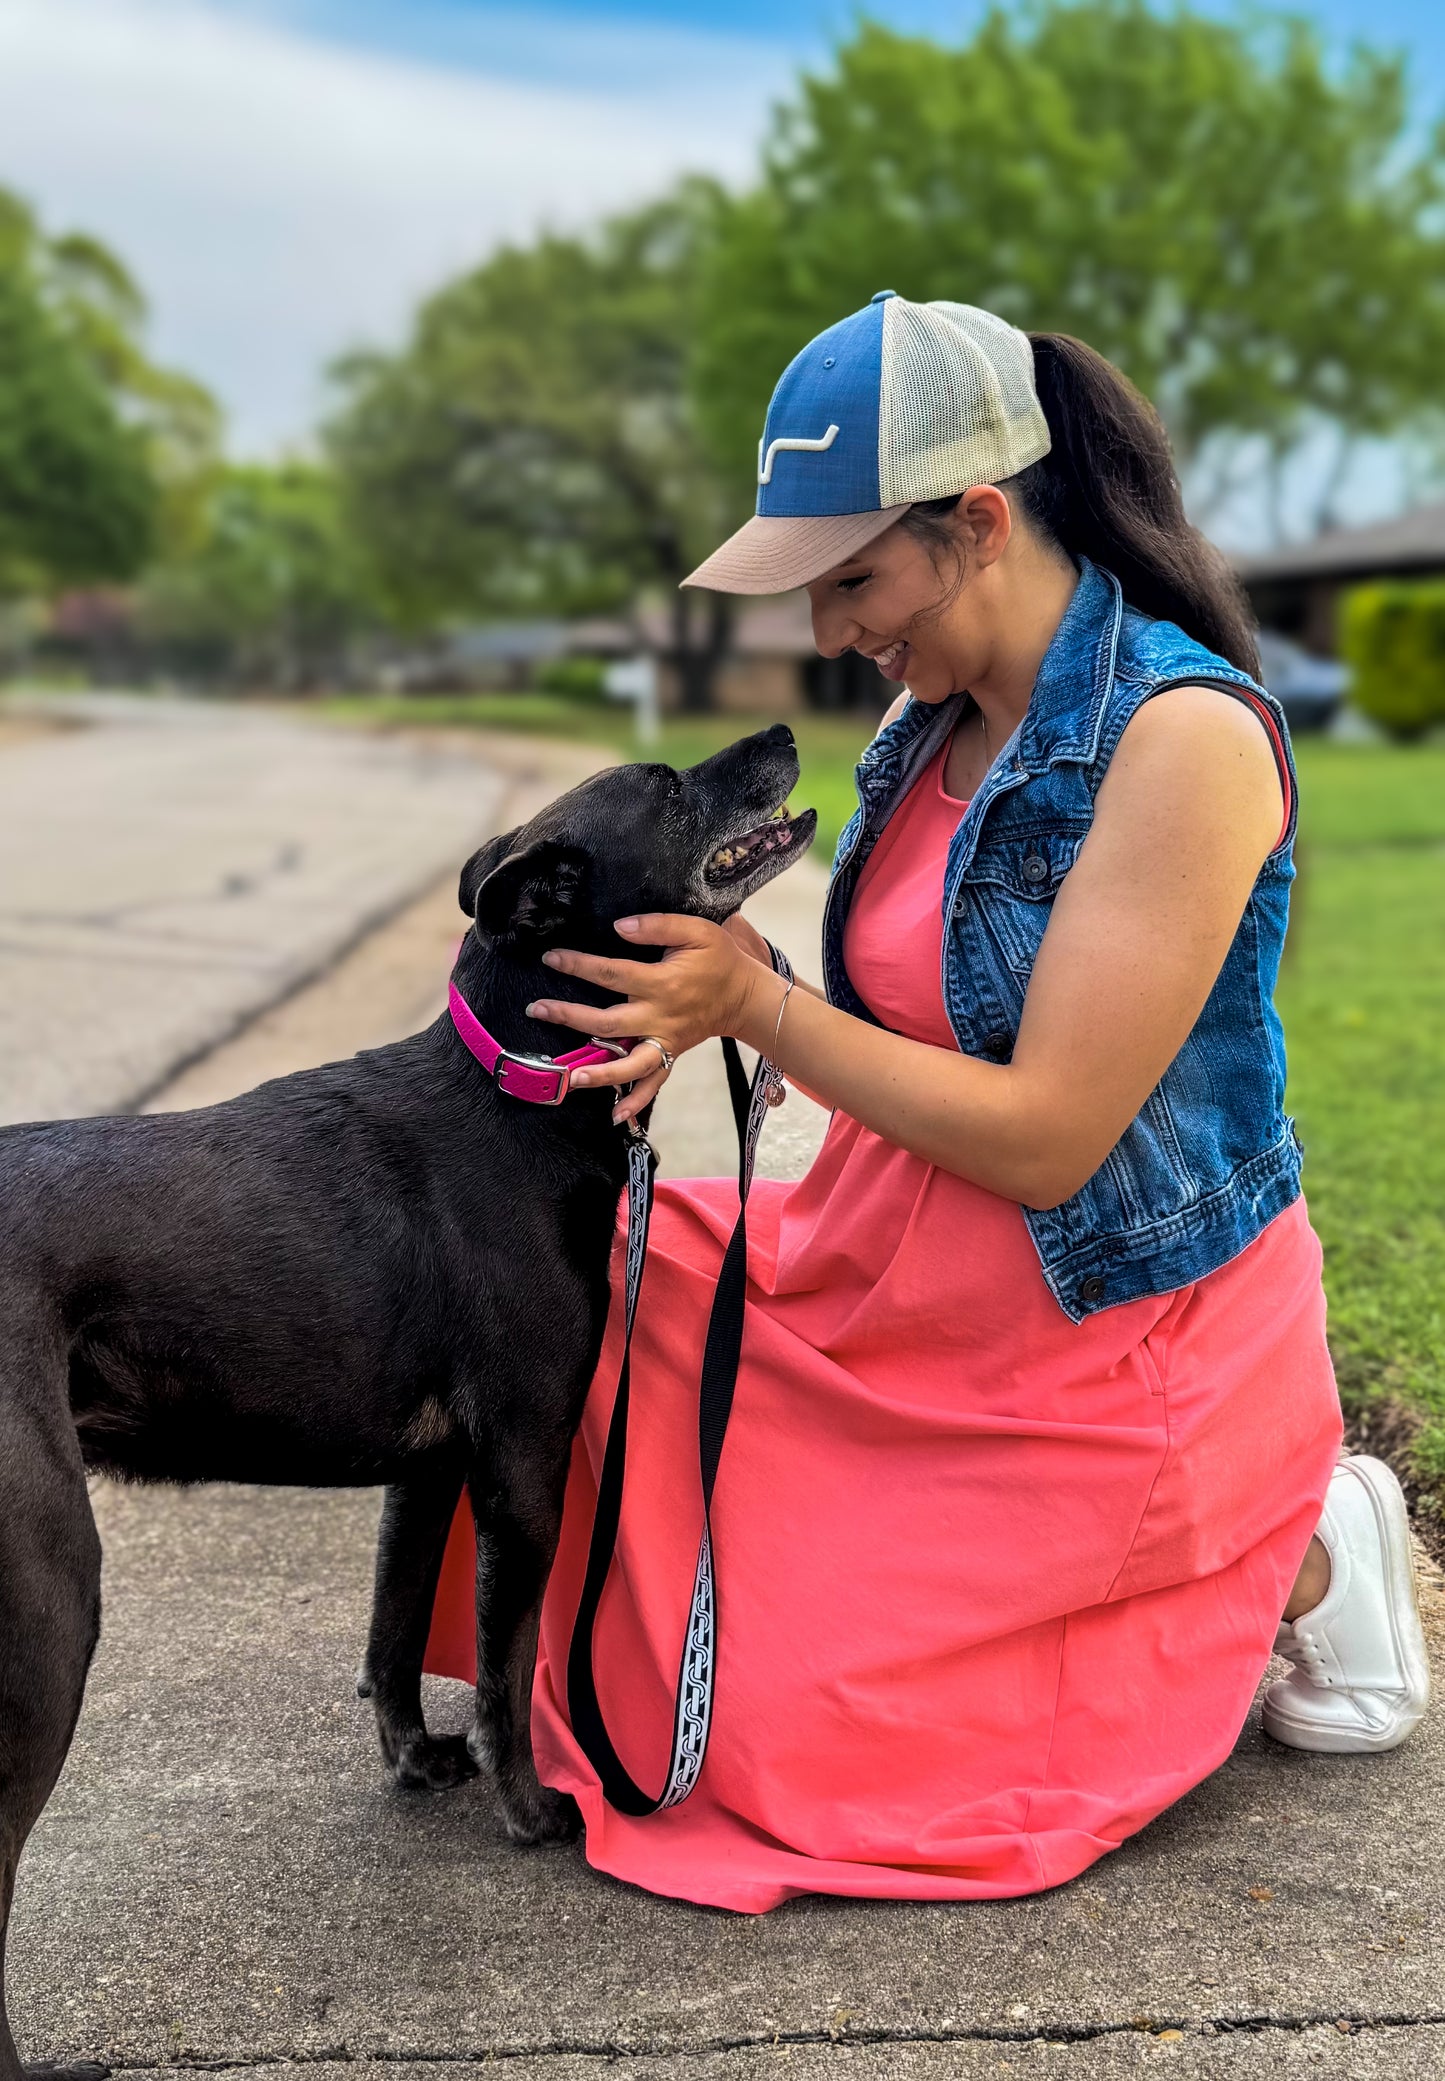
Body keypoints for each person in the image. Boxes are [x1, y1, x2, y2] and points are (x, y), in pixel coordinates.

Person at [425, 294, 1430, 1910]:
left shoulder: (1182, 740)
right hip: (877, 1252)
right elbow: (890, 1013)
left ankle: (1300, 1532)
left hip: (1095, 1317)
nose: (830, 633)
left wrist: (758, 1004)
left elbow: (1047, 1137)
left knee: (781, 1743)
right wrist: (677, 1007)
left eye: (853, 580)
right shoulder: (934, 716)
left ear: (976, 522)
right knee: (556, 1297)